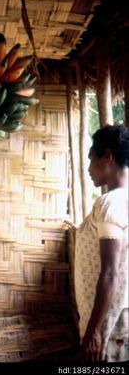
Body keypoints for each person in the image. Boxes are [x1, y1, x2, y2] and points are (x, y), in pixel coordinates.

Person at [73, 124, 128, 362]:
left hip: (108, 322)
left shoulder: (110, 203)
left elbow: (109, 272)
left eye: (91, 159)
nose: (87, 168)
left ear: (108, 156)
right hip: (117, 313)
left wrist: (94, 330)